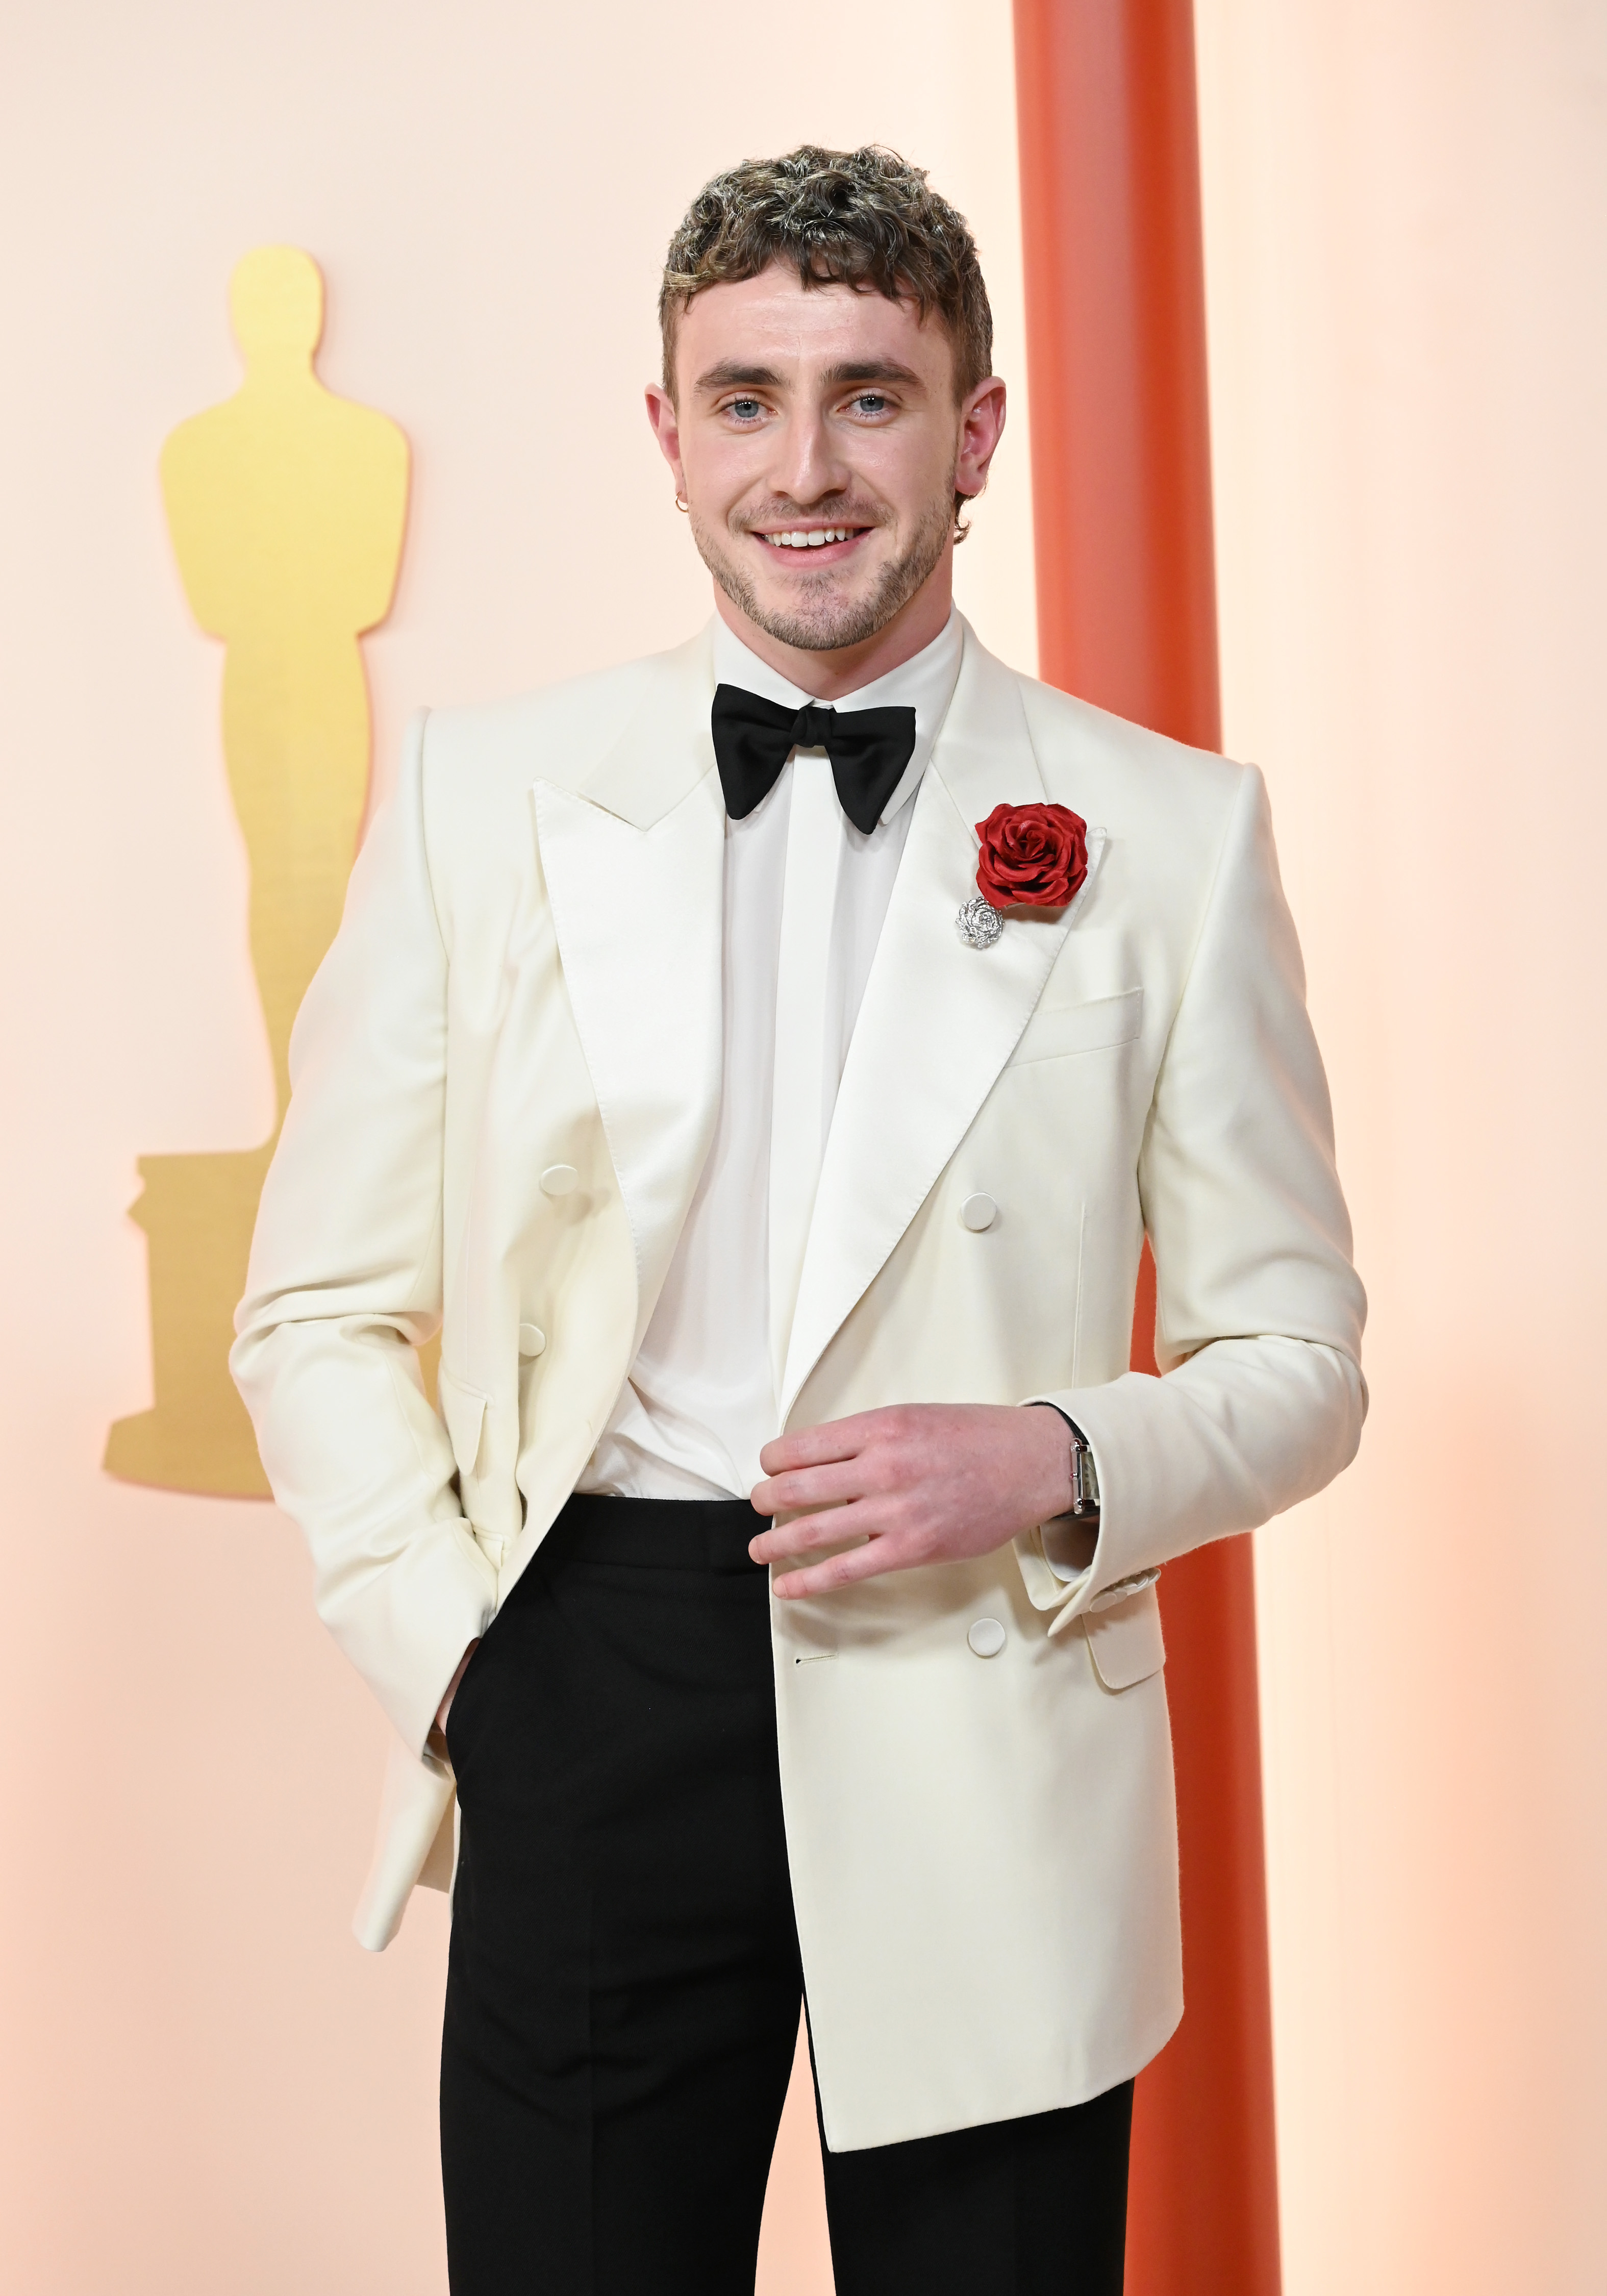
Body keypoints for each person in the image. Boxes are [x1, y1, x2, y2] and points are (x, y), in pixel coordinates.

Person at [232, 145, 1365, 2295]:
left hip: (989, 1692)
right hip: (590, 1668)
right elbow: (311, 1308)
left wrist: (1046, 1456)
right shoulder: (489, 789)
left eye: (868, 393)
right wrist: (463, 1660)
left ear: (974, 431)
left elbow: (1299, 1363)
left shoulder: (1173, 833)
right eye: (744, 398)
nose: (805, 465)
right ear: (667, 435)